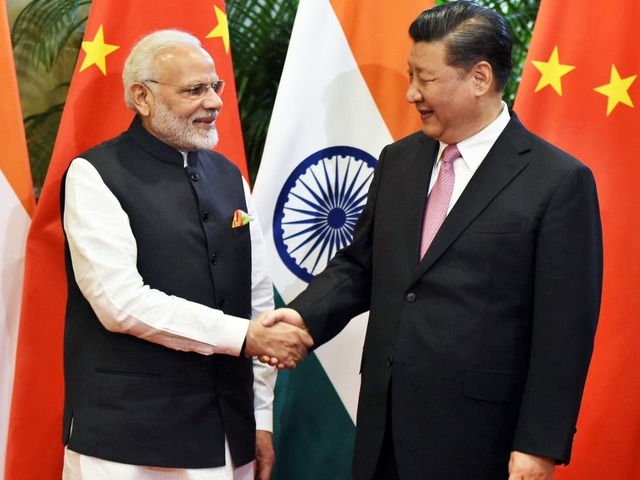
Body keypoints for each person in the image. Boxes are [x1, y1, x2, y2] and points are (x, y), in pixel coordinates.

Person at [260, 2, 603, 479]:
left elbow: (564, 331)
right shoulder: (398, 160)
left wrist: (538, 446)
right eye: (410, 75)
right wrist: (301, 316)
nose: (409, 93)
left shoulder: (557, 180)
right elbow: (361, 267)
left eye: (425, 78)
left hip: (480, 439)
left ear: (479, 78)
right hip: (383, 428)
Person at [60, 29, 312, 480]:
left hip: (227, 437)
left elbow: (255, 300)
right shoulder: (93, 173)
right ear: (142, 97)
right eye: (194, 90)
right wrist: (244, 336)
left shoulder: (229, 174)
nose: (214, 102)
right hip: (129, 442)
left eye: (215, 87)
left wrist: (260, 418)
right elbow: (120, 303)